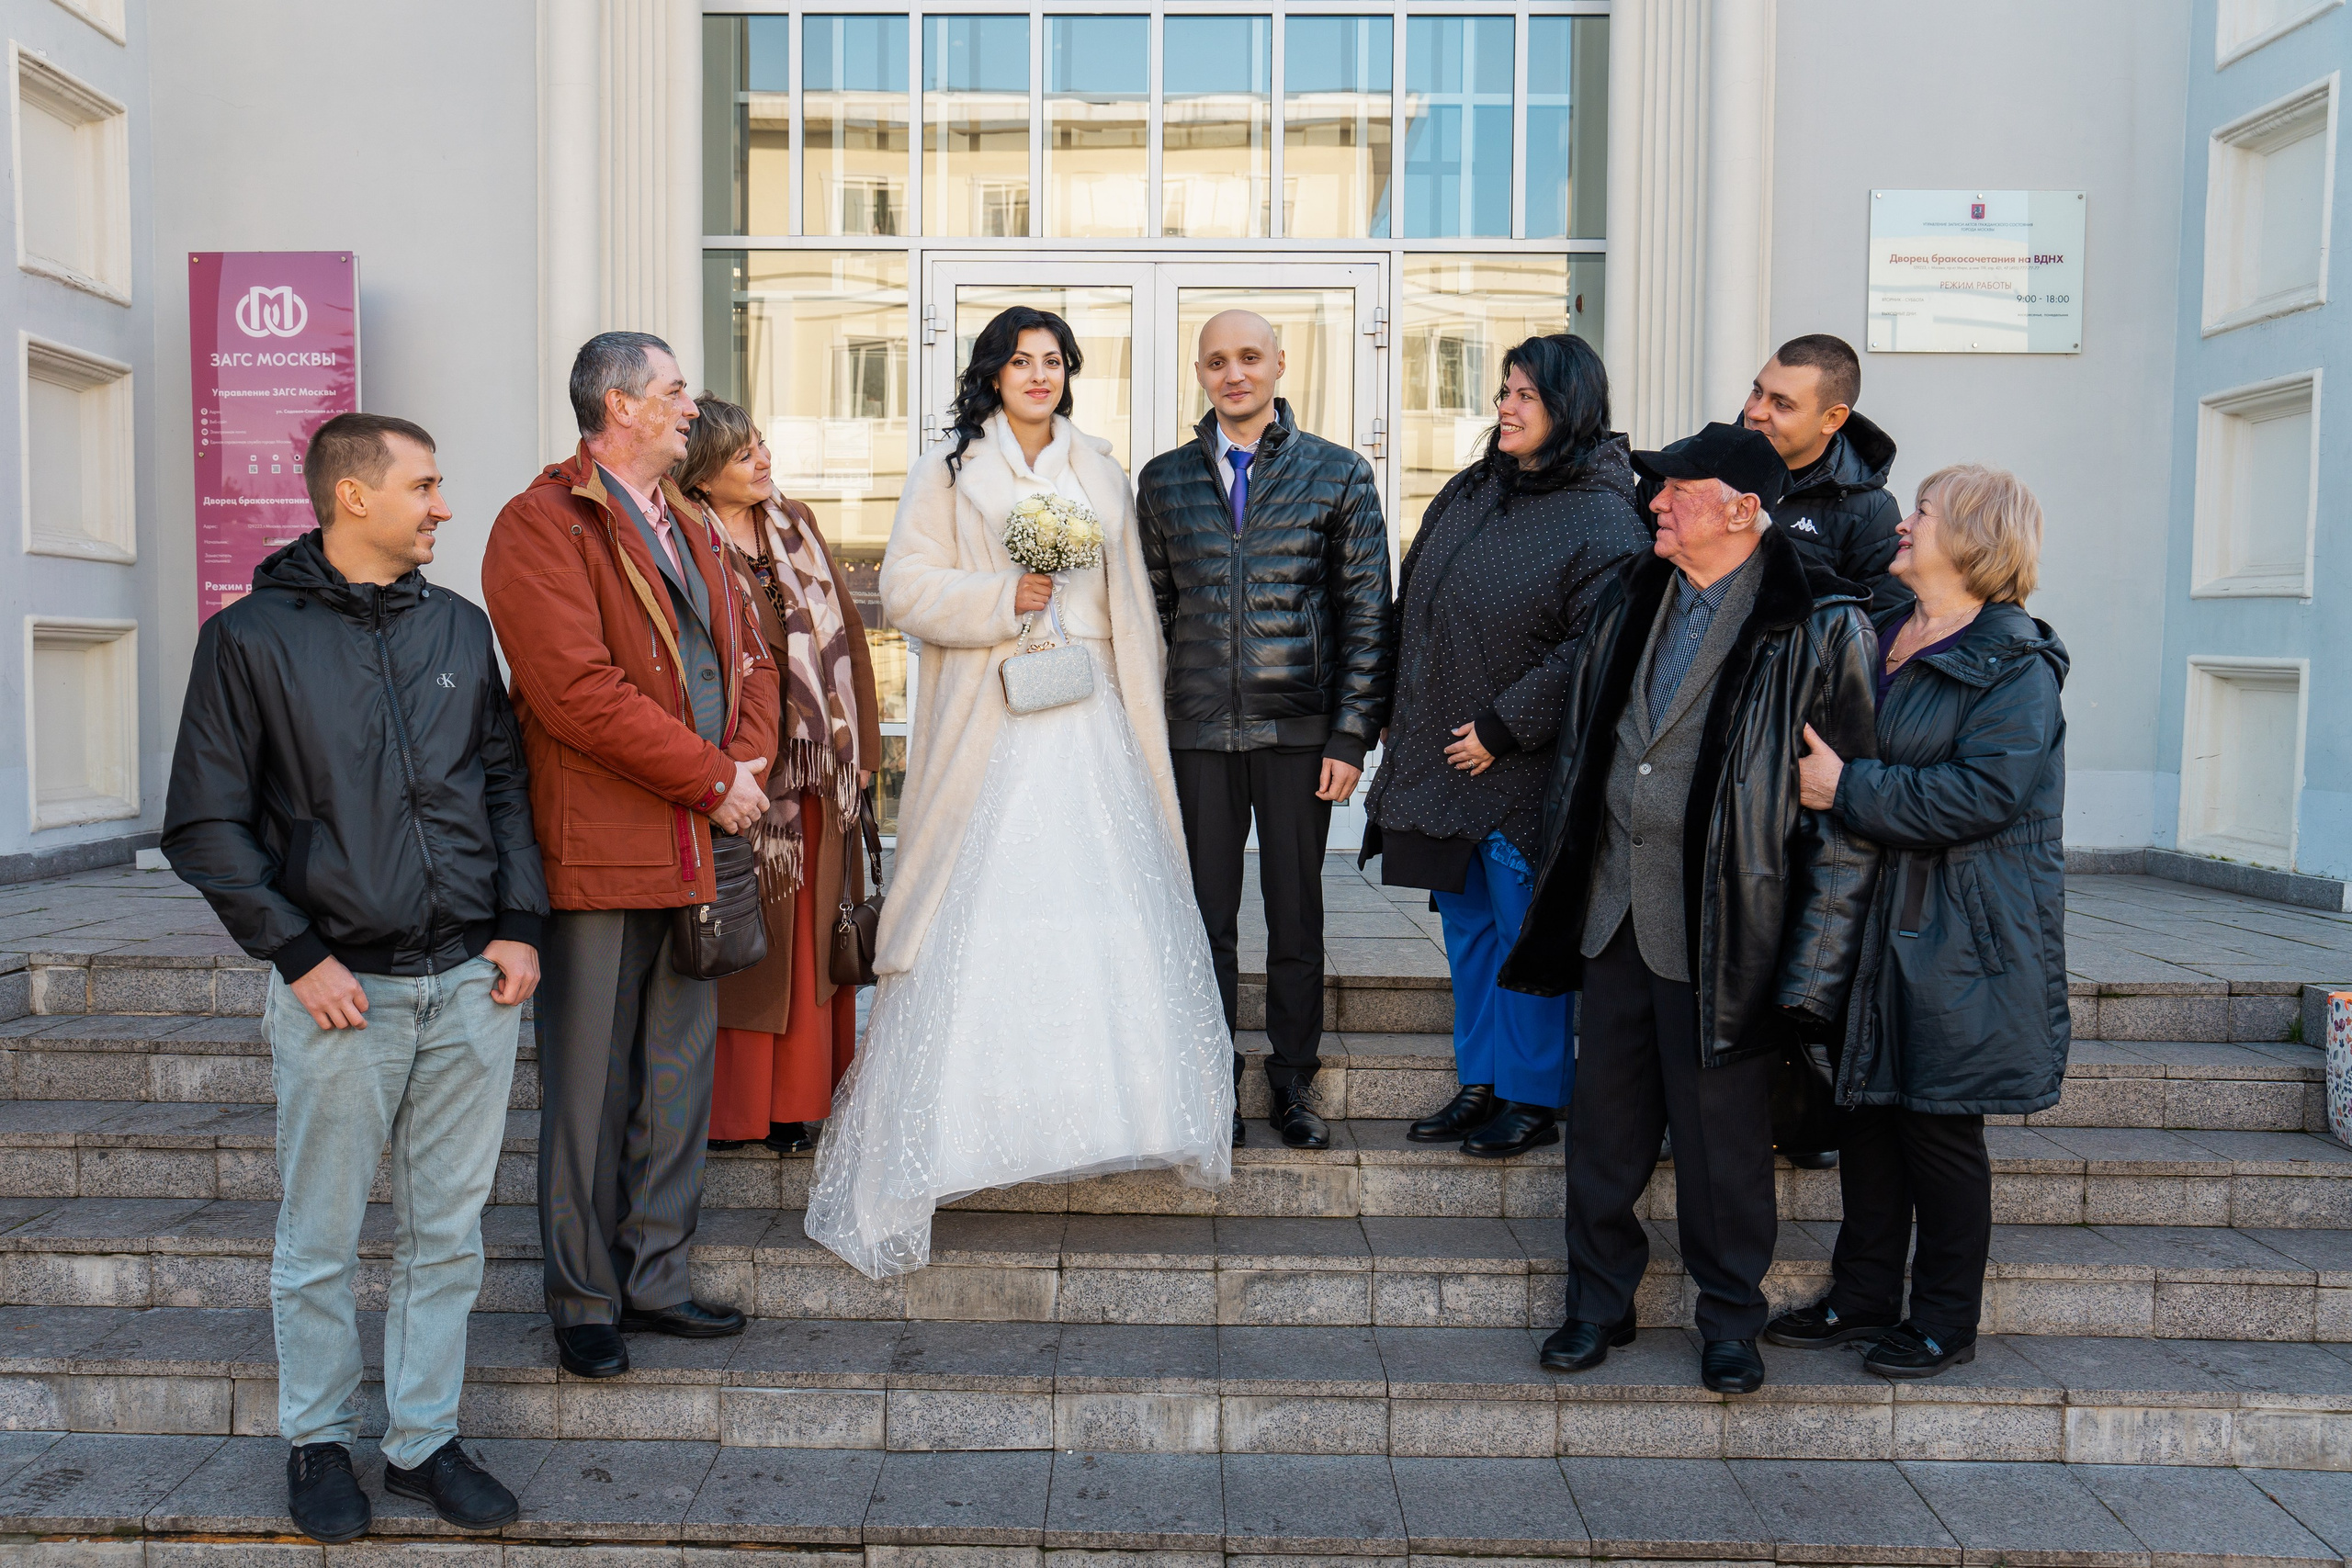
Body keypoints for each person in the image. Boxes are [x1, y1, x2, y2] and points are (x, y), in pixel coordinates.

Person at [164, 413, 544, 1541]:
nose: (441, 507)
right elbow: (205, 826)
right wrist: (300, 954)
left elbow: (506, 786)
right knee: (320, 1237)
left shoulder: (463, 631)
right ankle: (318, 1442)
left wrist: (520, 925)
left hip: (473, 985)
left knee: (450, 1233)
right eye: (424, 487)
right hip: (343, 994)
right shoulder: (250, 642)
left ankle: (424, 1444)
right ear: (353, 499)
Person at [805, 306, 1234, 1278]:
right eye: (1019, 360)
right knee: (985, 904)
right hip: (994, 716)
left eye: (1052, 361)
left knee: (1101, 908)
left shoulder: (1099, 470)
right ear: (991, 373)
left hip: (1090, 713)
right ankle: (968, 1125)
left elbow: (1134, 605)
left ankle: (1104, 1107)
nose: (1037, 375)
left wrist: (1135, 697)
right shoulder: (950, 473)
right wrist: (1005, 599)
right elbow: (907, 589)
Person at [1498, 422, 1881, 1395]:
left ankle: (1729, 1321)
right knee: (1605, 1126)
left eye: (1677, 489)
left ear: (1741, 510)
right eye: (1655, 487)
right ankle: (1597, 1304)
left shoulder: (1820, 624)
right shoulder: (1634, 594)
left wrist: (1813, 967)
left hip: (1730, 924)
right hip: (1613, 910)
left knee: (1722, 1143)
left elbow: (1844, 821)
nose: (1656, 501)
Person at [482, 332, 781, 1380]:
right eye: (672, 391)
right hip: (601, 853)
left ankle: (656, 1280)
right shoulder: (539, 522)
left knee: (677, 1074)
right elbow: (575, 694)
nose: (689, 408)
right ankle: (581, 1300)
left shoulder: (691, 522)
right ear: (616, 406)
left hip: (698, 848)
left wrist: (745, 765)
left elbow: (751, 661)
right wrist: (714, 778)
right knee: (587, 1089)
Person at [1765, 465, 2068, 1378]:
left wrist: (1846, 787)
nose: (1903, 524)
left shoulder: (2015, 664)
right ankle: (1860, 1299)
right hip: (1867, 916)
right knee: (1864, 1110)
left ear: (1973, 536)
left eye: (1923, 513)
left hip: (1959, 933)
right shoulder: (1885, 631)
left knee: (1936, 1128)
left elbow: (1981, 795)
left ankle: (1943, 1319)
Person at [1366, 334, 1646, 1157]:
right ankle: (1482, 1078)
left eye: (1526, 395)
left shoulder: (1604, 513)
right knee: (1472, 930)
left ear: (1572, 406)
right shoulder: (1474, 486)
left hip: (1520, 771)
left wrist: (1501, 728)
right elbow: (1412, 594)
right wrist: (1392, 702)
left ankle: (1532, 1091)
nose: (1506, 407)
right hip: (1443, 757)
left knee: (1526, 935)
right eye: (1503, 392)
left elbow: (1596, 645)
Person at [1135, 310, 1395, 1149]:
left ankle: (1293, 1086)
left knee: (1296, 916)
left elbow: (1366, 616)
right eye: (1216, 361)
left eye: (1249, 356)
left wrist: (1351, 735)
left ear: (1280, 364)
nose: (1233, 373)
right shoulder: (1164, 481)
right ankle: (1211, 1083)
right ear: (1201, 374)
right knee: (1204, 920)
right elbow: (1154, 613)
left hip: (1299, 737)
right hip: (1199, 735)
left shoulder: (1339, 475)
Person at [673, 397, 882, 1157]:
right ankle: (735, 1114)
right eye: (742, 455)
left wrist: (862, 755)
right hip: (743, 776)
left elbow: (848, 635)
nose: (762, 461)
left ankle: (800, 1104)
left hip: (818, 777)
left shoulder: (794, 521)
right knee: (750, 945)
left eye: (761, 444)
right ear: (702, 472)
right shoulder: (681, 537)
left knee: (812, 945)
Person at [1741, 333, 1910, 617]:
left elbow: (1881, 623)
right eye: (1758, 391)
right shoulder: (1695, 463)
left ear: (1832, 419)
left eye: (1782, 404)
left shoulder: (1870, 514)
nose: (1755, 412)